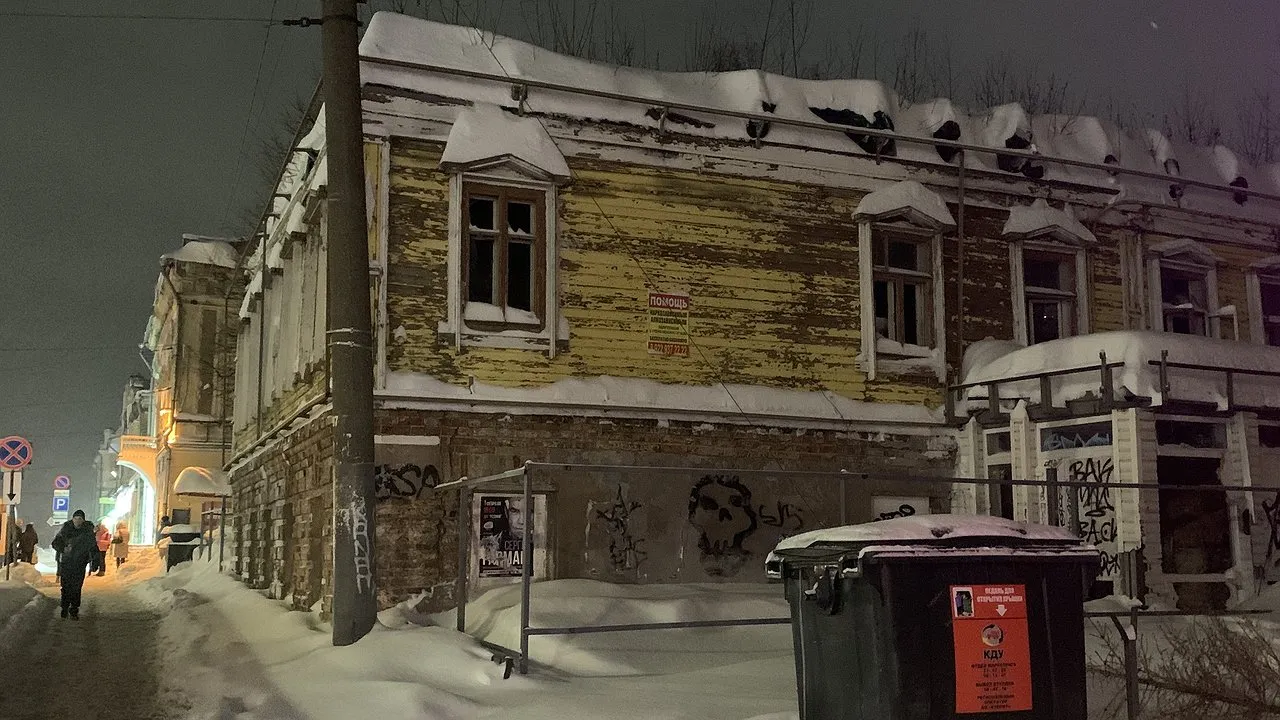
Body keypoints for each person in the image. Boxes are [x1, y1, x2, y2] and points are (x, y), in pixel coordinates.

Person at [51, 510, 97, 619]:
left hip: (80, 564)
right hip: (66, 563)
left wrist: (95, 562)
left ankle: (74, 609)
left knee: (76, 587)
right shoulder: (66, 529)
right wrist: (63, 549)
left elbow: (93, 548)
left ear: (83, 520)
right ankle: (64, 607)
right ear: (72, 519)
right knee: (66, 586)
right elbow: (55, 543)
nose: (77, 521)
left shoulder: (87, 532)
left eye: (80, 519)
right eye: (75, 518)